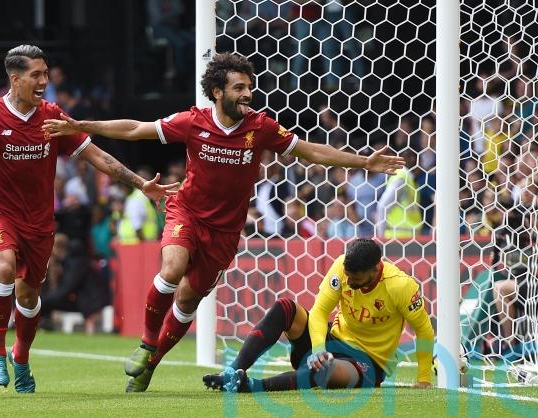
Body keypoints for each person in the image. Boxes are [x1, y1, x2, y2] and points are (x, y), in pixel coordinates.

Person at [42, 52, 406, 392]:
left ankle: (151, 362)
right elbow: (137, 128)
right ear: (217, 92)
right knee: (172, 269)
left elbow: (311, 150)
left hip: (225, 233)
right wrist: (81, 125)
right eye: (239, 87)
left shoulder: (260, 127)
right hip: (187, 212)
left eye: (250, 86)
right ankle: (147, 343)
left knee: (187, 300)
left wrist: (363, 162)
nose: (248, 93)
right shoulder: (193, 122)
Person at [0, 44, 178, 393]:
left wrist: (140, 184)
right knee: (4, 266)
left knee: (29, 297)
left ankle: (21, 357)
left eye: (46, 73)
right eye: (36, 75)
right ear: (15, 79)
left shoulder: (52, 117)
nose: (44, 81)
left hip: (39, 222)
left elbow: (97, 156)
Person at [203, 238, 434, 392]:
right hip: (331, 341)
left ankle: (251, 386)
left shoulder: (400, 286)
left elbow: (423, 329)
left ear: (375, 269)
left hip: (368, 363)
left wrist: (424, 378)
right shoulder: (341, 267)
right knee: (284, 307)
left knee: (325, 370)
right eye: (347, 275)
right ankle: (231, 372)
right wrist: (318, 349)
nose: (348, 281)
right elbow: (319, 312)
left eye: (355, 278)